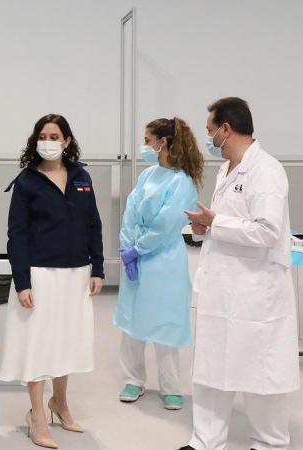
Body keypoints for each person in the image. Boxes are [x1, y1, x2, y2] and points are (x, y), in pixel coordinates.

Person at [180, 97, 299, 450]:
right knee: (212, 367)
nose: (208, 138)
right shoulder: (227, 169)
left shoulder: (266, 170)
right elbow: (229, 223)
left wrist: (217, 222)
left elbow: (266, 231)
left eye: (209, 131)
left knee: (261, 372)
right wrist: (207, 227)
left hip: (256, 291)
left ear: (225, 129)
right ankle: (206, 440)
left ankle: (269, 443)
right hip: (223, 288)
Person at [0, 113, 104, 449]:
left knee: (67, 340)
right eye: (43, 135)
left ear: (67, 142)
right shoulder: (27, 182)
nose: (49, 141)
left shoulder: (81, 177)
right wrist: (22, 281)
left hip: (76, 273)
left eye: (55, 136)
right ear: (36, 141)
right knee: (38, 343)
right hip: (40, 274)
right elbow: (16, 235)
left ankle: (59, 403)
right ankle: (36, 416)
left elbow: (93, 224)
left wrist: (98, 268)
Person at [115, 117, 203, 411]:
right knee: (132, 321)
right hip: (136, 258)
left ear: (162, 142)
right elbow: (130, 211)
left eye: (147, 139)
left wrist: (138, 249)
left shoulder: (182, 181)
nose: (145, 145)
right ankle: (133, 379)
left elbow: (166, 225)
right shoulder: (147, 175)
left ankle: (171, 386)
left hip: (164, 260)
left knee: (165, 322)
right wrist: (127, 247)